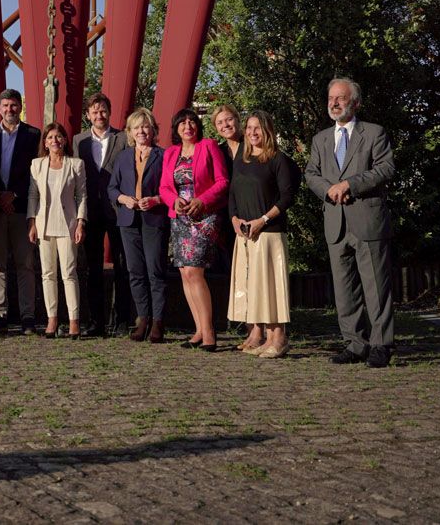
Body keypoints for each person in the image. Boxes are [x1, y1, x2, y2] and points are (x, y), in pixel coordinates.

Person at [305, 77, 397, 368]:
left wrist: (349, 184)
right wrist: (329, 190)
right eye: (331, 98)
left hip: (366, 219)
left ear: (355, 103)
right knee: (344, 291)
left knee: (376, 288)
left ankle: (381, 344)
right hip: (335, 221)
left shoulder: (374, 133)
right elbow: (311, 174)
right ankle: (355, 344)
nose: (334, 103)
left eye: (340, 98)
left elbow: (385, 168)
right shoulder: (320, 139)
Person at [227, 110, 299, 358]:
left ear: (267, 130)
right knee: (253, 287)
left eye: (257, 128)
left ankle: (278, 338)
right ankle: (261, 335)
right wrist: (234, 218)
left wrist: (263, 220)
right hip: (245, 234)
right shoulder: (241, 157)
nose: (252, 132)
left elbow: (287, 196)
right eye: (249, 127)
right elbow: (232, 192)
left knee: (271, 286)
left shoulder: (278, 159)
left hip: (269, 233)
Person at [159, 107, 230, 352]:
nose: (188, 126)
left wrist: (203, 201)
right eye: (182, 123)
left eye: (192, 122)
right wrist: (173, 201)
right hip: (179, 218)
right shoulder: (171, 153)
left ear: (197, 126)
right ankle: (198, 329)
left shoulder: (208, 146)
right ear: (176, 128)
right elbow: (164, 187)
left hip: (204, 215)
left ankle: (210, 332)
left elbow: (222, 181)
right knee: (184, 273)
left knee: (195, 271)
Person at [0, 88, 41, 334]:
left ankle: (28, 316)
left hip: (21, 207)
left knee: (25, 263)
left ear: (20, 107)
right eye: (5, 106)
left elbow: (35, 172)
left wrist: (13, 193)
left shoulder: (33, 135)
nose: (9, 110)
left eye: (14, 105)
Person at [109, 108, 170, 344]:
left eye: (145, 127)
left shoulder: (163, 156)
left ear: (153, 130)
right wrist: (123, 199)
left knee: (155, 271)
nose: (141, 131)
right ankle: (142, 318)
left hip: (154, 218)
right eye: (137, 128)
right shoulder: (124, 156)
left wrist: (155, 199)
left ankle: (158, 321)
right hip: (128, 220)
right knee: (135, 271)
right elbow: (112, 188)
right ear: (130, 132)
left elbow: (171, 189)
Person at [73, 92, 131, 337]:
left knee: (122, 266)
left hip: (118, 210)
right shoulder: (79, 141)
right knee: (92, 268)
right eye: (94, 111)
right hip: (91, 212)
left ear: (109, 112)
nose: (99, 115)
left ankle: (120, 321)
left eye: (103, 110)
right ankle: (95, 322)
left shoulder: (123, 138)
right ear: (88, 115)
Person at [27, 121, 87, 339]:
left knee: (69, 273)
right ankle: (52, 318)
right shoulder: (37, 165)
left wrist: (81, 222)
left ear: (65, 140)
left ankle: (73, 320)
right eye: (50, 137)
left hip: (68, 224)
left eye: (59, 137)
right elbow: (33, 195)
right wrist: (32, 222)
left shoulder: (76, 164)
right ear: (45, 142)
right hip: (44, 224)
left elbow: (81, 195)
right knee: (47, 274)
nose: (55, 140)